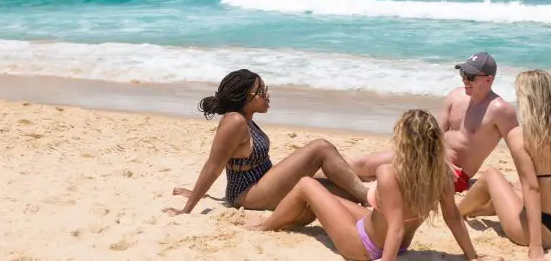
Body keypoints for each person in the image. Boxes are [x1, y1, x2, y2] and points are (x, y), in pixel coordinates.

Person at [247, 109, 500, 261]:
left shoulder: (389, 173)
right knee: (325, 196)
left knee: (305, 184)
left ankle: (264, 226)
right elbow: (452, 217)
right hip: (391, 240)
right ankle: (285, 221)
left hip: (364, 246)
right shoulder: (441, 174)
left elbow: (396, 226)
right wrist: (472, 256)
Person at [163, 69, 368, 215]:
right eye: (261, 91)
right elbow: (213, 166)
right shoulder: (234, 121)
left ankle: (371, 196)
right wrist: (187, 208)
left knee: (341, 188)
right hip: (247, 192)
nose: (267, 95)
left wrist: (198, 194)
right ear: (247, 97)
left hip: (265, 181)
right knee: (321, 148)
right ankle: (369, 198)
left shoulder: (246, 119)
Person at [458, 70, 551, 260]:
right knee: (518, 187)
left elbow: (532, 188)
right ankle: (483, 209)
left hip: (542, 232)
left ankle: (457, 212)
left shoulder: (520, 136)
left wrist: (536, 246)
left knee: (491, 175)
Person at [349, 52, 517, 193]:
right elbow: (434, 134)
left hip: (454, 175)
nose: (465, 79)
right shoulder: (455, 95)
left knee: (387, 173)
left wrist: (522, 186)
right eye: (463, 74)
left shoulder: (500, 111)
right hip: (430, 157)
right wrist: (435, 157)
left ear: (489, 79)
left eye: (471, 76)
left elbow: (518, 150)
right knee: (365, 164)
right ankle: (334, 174)